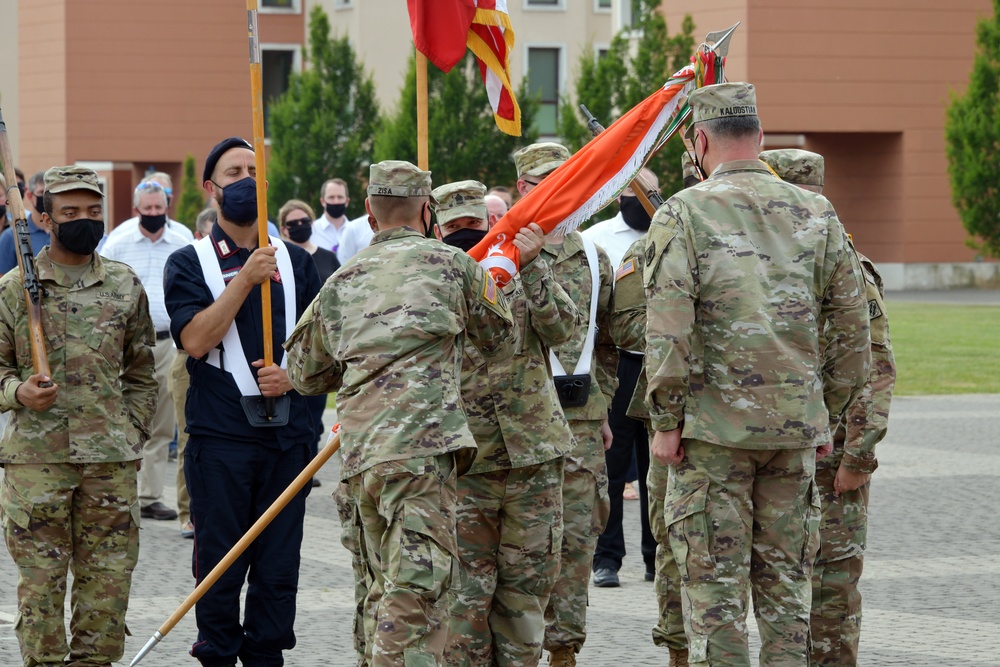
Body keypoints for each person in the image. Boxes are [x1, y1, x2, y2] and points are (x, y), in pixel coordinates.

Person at [644, 82, 871, 666]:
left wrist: (665, 420)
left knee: (716, 598)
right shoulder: (818, 212)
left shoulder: (684, 211)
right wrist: (829, 415)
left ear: (699, 140)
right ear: (760, 138)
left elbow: (669, 326)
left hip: (712, 436)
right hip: (794, 434)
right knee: (787, 593)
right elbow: (852, 332)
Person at [284, 161, 517, 666]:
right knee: (418, 590)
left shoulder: (341, 279)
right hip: (421, 455)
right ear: (427, 210)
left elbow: (302, 372)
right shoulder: (453, 266)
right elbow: (502, 338)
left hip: (361, 454)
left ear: (368, 211)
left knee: (378, 586)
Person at [163, 136, 321, 667]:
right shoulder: (189, 263)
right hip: (221, 440)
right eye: (234, 172)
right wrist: (243, 281)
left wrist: (293, 377)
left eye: (255, 170)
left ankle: (265, 656)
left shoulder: (299, 263)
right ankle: (217, 653)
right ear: (212, 190)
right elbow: (195, 340)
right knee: (221, 565)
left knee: (279, 569)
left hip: (288, 440)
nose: (246, 179)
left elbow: (325, 352)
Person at [0, 165, 158, 667]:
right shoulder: (13, 289)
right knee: (42, 593)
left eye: (93, 212)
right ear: (46, 218)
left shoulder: (123, 284)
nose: (84, 221)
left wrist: (130, 430)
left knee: (107, 589)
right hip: (37, 464)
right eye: (70, 212)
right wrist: (18, 392)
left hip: (109, 463)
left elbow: (141, 372)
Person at [428, 173, 578, 667]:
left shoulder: (517, 269)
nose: (468, 233)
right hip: (467, 462)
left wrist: (534, 269)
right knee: (466, 597)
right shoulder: (431, 283)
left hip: (531, 458)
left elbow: (564, 333)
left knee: (527, 592)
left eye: (477, 222)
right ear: (438, 229)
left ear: (495, 223)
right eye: (456, 226)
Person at [759, 148, 896, 667]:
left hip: (832, 459)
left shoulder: (844, 265)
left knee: (832, 590)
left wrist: (858, 457)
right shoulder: (770, 263)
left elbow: (874, 368)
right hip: (777, 452)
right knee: (781, 586)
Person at [608, 152, 703, 667]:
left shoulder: (661, 245)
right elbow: (622, 328)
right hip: (690, 405)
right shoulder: (648, 251)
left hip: (706, 412)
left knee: (689, 542)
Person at [525, 144, 618, 665]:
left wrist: (599, 401)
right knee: (523, 547)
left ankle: (564, 652)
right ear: (522, 190)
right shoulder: (504, 257)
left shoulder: (593, 256)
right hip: (520, 426)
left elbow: (607, 340)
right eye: (546, 182)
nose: (561, 191)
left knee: (577, 542)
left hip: (580, 423)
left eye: (568, 180)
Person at [581, 167, 661, 588]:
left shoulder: (672, 230)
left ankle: (655, 556)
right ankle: (606, 557)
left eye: (651, 192)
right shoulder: (598, 239)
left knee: (657, 464)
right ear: (619, 196)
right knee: (611, 466)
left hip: (665, 365)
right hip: (620, 363)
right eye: (636, 192)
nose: (644, 199)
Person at [101, 180, 190, 522]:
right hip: (127, 345)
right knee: (122, 418)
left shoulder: (183, 243)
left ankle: (150, 495)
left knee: (162, 424)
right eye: (147, 209)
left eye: (159, 208)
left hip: (169, 341)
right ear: (137, 208)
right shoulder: (118, 244)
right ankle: (117, 496)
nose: (153, 214)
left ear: (167, 206)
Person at [277, 198, 340, 487]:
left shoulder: (327, 257)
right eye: (293, 224)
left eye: (305, 222)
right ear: (283, 228)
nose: (300, 227)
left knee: (314, 410)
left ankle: (310, 465)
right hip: (288, 345)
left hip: (321, 345)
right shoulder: (279, 258)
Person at [99, 172, 194, 251]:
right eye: (148, 207)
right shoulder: (119, 236)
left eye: (166, 192)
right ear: (136, 210)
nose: (153, 213)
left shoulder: (184, 236)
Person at [0, 171, 49, 275]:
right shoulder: (11, 236)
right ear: (30, 196)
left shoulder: (64, 233)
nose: (46, 197)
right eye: (41, 192)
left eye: (50, 193)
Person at [310, 177, 350, 255]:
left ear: (347, 201)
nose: (336, 202)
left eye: (340, 197)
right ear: (322, 201)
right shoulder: (311, 230)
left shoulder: (356, 231)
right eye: (331, 197)